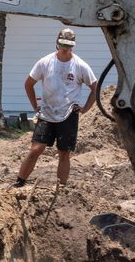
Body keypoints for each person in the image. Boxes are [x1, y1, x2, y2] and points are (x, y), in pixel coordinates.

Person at [15, 29, 98, 187]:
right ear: (57, 43)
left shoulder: (80, 65)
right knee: (36, 149)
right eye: (62, 45)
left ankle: (61, 187)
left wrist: (86, 108)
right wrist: (35, 106)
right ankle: (19, 182)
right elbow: (29, 84)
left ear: (73, 45)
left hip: (68, 114)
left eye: (68, 45)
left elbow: (95, 88)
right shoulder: (45, 62)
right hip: (47, 112)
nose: (65, 49)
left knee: (64, 152)